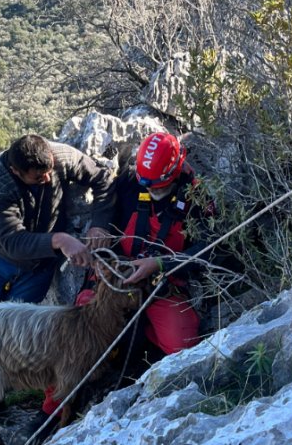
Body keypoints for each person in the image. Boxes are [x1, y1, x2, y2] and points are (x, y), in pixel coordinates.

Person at [39, 131, 235, 417]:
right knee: (75, 336)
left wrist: (160, 263)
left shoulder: (197, 198)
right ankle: (52, 410)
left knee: (183, 349)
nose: (150, 189)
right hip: (115, 277)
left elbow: (212, 249)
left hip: (162, 283)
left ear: (176, 170)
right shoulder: (132, 182)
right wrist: (100, 228)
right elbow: (106, 202)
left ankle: (145, 348)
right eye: (147, 183)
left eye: (157, 186)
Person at [0, 134, 114, 410]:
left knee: (15, 326)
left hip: (39, 263)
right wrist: (60, 240)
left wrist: (100, 224)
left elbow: (102, 179)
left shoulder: (61, 157)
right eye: (38, 178)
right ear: (16, 171)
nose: (47, 181)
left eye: (49, 173)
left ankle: (7, 381)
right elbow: (12, 240)